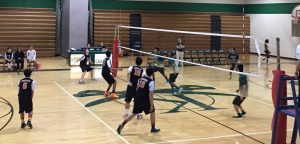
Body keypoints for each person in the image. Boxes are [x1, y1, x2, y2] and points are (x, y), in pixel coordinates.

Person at [117, 67, 160, 134]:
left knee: (134, 113)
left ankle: (122, 124)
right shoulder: (151, 82)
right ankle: (153, 128)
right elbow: (150, 94)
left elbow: (137, 88)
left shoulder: (140, 79)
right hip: (145, 99)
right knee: (153, 111)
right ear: (152, 73)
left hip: (137, 98)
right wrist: (151, 105)